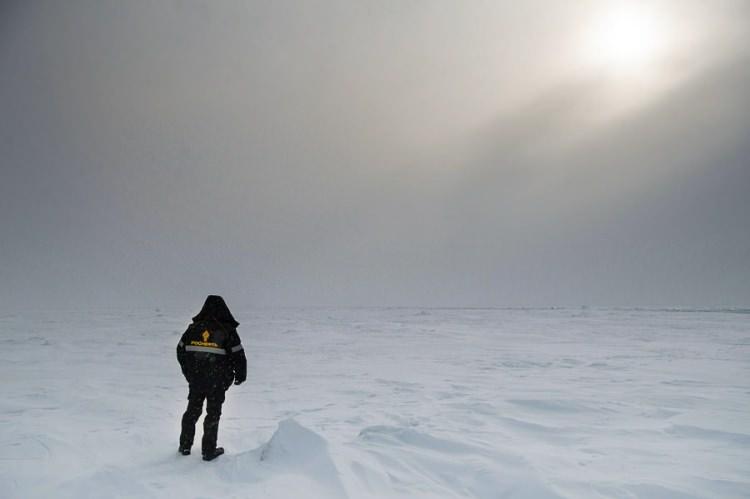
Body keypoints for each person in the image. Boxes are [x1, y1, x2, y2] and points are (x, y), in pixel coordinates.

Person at [176, 295, 246, 460]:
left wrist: (189, 372)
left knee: (192, 411)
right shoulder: (227, 330)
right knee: (213, 414)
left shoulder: (193, 329)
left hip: (197, 380)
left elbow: (180, 351)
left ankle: (185, 446)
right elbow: (238, 356)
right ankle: (208, 451)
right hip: (217, 381)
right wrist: (240, 375)